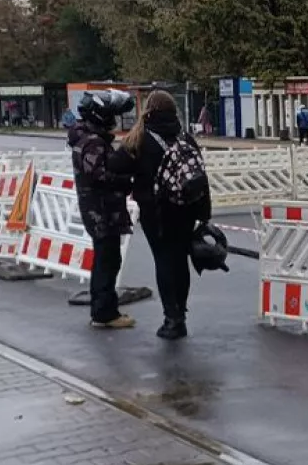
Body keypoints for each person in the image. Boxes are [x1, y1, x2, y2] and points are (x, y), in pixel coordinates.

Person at [112, 90, 212, 340]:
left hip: (156, 212)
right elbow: (200, 176)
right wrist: (204, 213)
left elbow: (115, 165)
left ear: (149, 110)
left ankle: (172, 319)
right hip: (186, 210)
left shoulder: (140, 139)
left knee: (164, 261)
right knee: (180, 261)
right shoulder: (185, 137)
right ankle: (181, 313)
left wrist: (132, 184)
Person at [69, 91, 136, 330]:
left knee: (106, 259)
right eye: (111, 116)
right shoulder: (93, 142)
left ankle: (104, 310)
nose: (114, 121)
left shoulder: (87, 138)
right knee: (107, 261)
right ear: (100, 116)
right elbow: (99, 176)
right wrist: (126, 180)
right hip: (101, 211)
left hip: (99, 209)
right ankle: (104, 313)